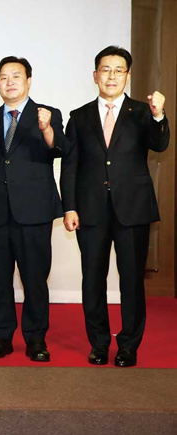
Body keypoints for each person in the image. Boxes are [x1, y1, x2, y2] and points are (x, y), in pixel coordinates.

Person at [61, 46, 169, 367]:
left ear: (128, 76)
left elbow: (160, 143)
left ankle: (128, 346)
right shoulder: (79, 116)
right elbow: (70, 166)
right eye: (105, 70)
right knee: (92, 279)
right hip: (90, 210)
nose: (111, 76)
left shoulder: (142, 112)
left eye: (118, 70)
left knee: (131, 281)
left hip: (132, 209)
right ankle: (98, 344)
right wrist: (69, 207)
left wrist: (159, 115)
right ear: (95, 75)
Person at [0, 56, 68, 362]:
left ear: (28, 80)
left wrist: (47, 128)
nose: (10, 82)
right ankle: (0, 337)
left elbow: (60, 148)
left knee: (35, 279)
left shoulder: (47, 114)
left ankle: (36, 338)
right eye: (3, 77)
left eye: (16, 76)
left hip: (34, 211)